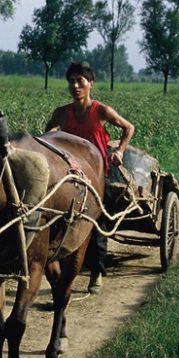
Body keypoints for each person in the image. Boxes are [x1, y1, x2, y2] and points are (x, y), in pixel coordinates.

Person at [45, 61, 135, 294]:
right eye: (71, 82)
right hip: (68, 178)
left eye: (80, 82)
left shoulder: (101, 111)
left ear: (90, 85)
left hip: (96, 177)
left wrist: (120, 151)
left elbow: (129, 127)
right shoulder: (62, 113)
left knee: (94, 227)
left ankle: (97, 272)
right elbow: (47, 135)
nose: (75, 86)